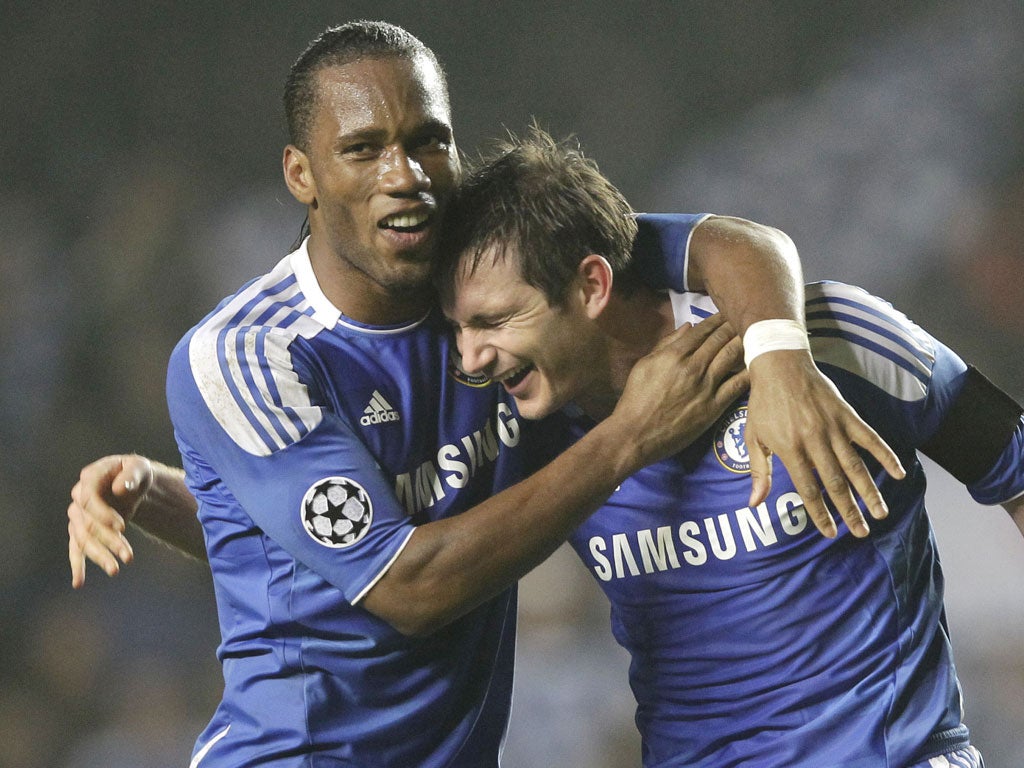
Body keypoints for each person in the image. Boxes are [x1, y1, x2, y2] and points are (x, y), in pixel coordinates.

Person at [66, 21, 907, 768]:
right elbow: (402, 587)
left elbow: (731, 241)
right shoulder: (249, 356)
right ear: (302, 173)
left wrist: (783, 360)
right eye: (363, 149)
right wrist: (629, 438)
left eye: (429, 140)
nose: (405, 174)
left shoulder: (495, 292)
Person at [430, 128, 1024, 767]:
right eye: (459, 327)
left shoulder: (834, 342)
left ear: (592, 287)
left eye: (493, 321)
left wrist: (778, 356)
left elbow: (1013, 467)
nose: (471, 356)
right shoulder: (531, 433)